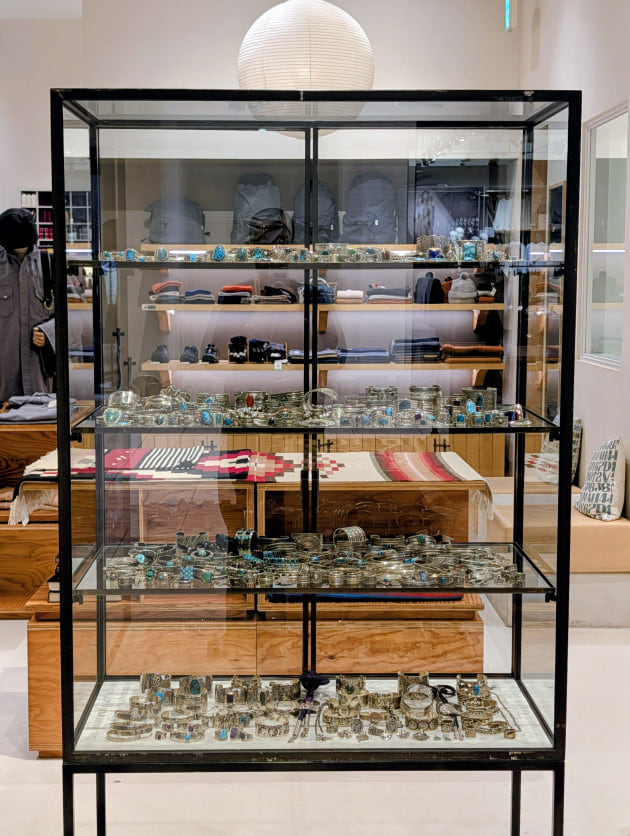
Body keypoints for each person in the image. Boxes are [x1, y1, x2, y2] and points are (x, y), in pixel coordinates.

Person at [0, 208, 55, 403]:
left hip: (40, 372)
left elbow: (68, 315)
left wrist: (48, 332)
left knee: (42, 417)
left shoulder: (49, 264)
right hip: (4, 376)